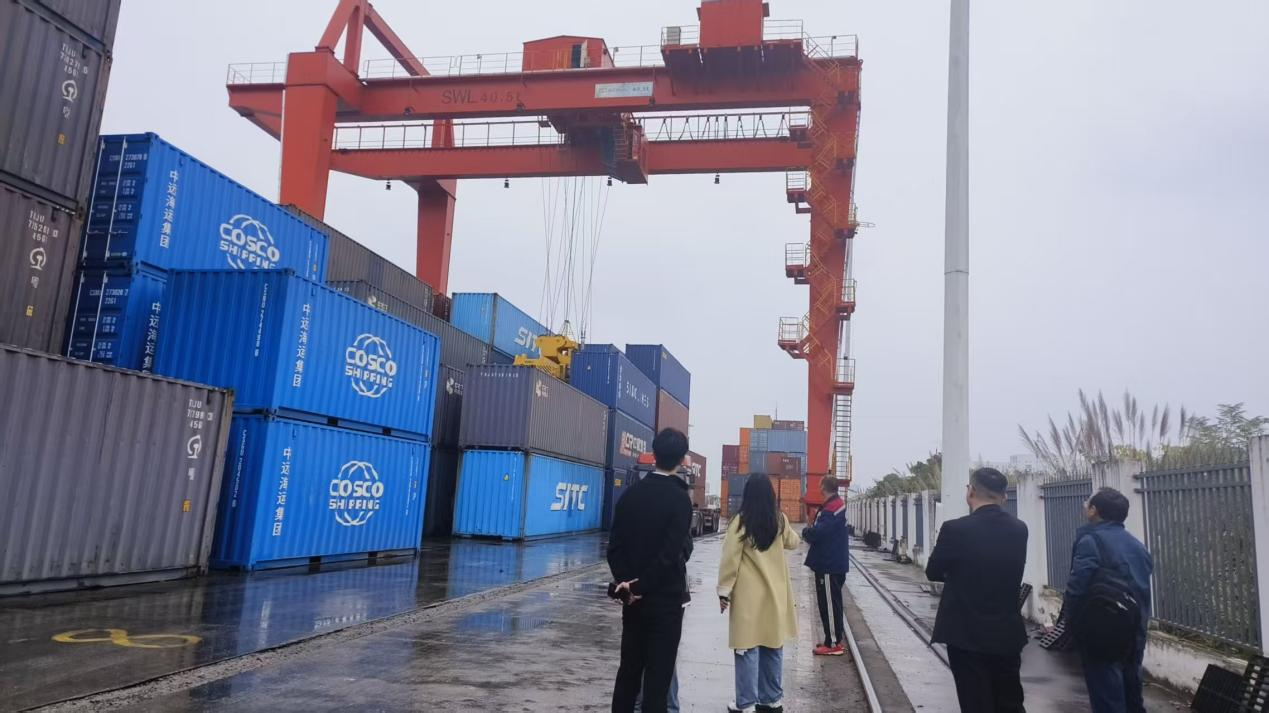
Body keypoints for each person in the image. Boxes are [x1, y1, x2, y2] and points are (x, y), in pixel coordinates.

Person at [926, 467, 1029, 713]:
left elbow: (934, 571)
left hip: (966, 634)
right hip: (1006, 633)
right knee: (1010, 702)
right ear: (1004, 496)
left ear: (970, 491)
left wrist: (959, 573)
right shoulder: (1019, 529)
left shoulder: (955, 529)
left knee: (976, 702)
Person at [608, 428, 694, 713]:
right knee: (657, 685)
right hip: (665, 604)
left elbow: (614, 548)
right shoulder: (680, 499)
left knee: (628, 675)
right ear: (681, 459)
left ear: (654, 455)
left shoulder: (630, 496)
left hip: (631, 603)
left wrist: (627, 586)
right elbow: (671, 555)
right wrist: (641, 586)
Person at [1059, 487, 1153, 713]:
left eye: (1087, 502)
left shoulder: (1091, 541)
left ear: (1094, 510)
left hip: (1102, 630)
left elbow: (1077, 587)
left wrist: (1069, 622)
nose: (1084, 505)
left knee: (1106, 696)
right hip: (1135, 629)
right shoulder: (1137, 546)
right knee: (1132, 693)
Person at [717, 474, 801, 713]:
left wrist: (724, 591)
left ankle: (746, 703)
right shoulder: (779, 520)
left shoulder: (740, 522)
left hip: (748, 599)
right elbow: (794, 542)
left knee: (746, 648)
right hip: (775, 597)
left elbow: (730, 560)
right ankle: (771, 699)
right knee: (773, 646)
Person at [801, 476, 850, 656]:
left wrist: (806, 531)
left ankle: (833, 644)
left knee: (829, 604)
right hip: (832, 563)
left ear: (823, 487)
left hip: (829, 565)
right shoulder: (835, 505)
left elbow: (818, 533)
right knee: (831, 603)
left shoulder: (832, 509)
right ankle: (832, 639)